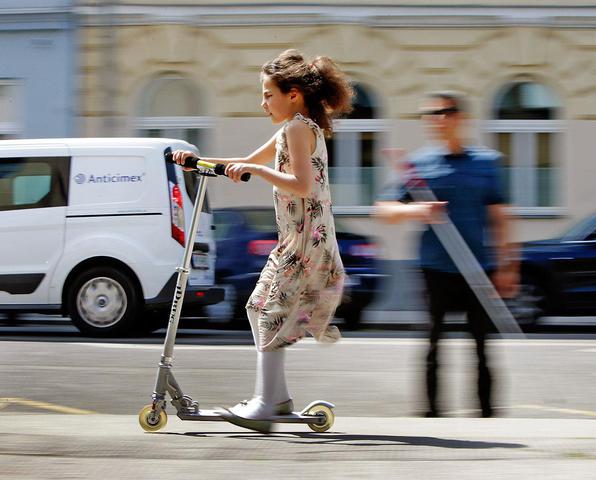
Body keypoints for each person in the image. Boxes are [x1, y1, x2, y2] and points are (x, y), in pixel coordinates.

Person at [173, 49, 353, 432]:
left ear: (294, 94)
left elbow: (302, 185)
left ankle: (265, 403)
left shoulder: (299, 129)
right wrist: (196, 162)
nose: (263, 102)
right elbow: (240, 163)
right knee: (258, 308)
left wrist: (256, 169)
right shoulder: (292, 130)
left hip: (305, 240)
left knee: (270, 313)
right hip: (295, 239)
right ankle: (278, 398)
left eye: (268, 94)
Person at [374, 91, 519, 418]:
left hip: (478, 267)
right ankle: (431, 416)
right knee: (433, 343)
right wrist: (418, 210)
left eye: (445, 112)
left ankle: (487, 416)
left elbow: (500, 217)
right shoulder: (419, 164)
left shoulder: (486, 163)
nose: (437, 119)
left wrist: (508, 266)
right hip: (434, 268)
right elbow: (384, 210)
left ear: (461, 118)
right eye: (430, 114)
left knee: (482, 347)